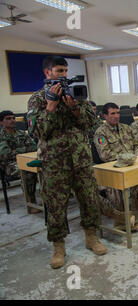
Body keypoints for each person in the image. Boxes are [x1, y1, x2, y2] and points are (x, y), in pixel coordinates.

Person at [27, 56, 107, 269]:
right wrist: (51, 105)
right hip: (54, 163)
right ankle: (58, 246)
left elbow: (91, 124)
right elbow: (37, 132)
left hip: (81, 160)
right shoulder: (37, 99)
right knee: (55, 206)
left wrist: (74, 108)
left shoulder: (76, 93)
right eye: (59, 70)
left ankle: (92, 238)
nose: (64, 75)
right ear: (47, 73)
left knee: (89, 200)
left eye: (65, 70)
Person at [94, 103, 138, 231]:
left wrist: (136, 156)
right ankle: (120, 220)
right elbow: (105, 155)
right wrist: (125, 159)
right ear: (105, 116)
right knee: (115, 184)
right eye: (113, 113)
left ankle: (134, 208)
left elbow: (137, 145)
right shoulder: (100, 132)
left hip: (132, 164)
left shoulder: (126, 128)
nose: (116, 116)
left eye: (118, 113)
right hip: (114, 167)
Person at [0, 111, 40, 214]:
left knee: (44, 168)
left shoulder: (22, 133)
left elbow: (33, 147)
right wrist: (24, 149)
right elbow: (5, 154)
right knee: (27, 172)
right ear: (1, 122)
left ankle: (48, 199)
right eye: (8, 118)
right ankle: (31, 203)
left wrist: (17, 150)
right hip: (10, 165)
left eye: (13, 118)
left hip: (26, 159)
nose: (12, 120)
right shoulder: (1, 136)